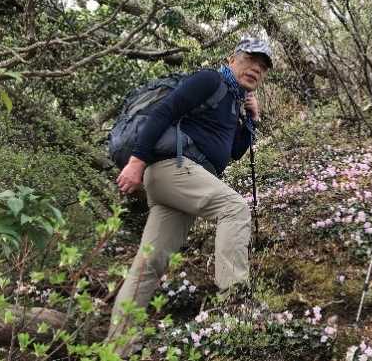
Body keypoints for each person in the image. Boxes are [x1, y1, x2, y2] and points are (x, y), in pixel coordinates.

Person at [108, 38, 273, 356]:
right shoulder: (210, 80)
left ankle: (118, 348)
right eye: (251, 59)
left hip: (182, 181)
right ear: (232, 58)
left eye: (263, 66)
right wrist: (136, 162)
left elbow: (232, 153)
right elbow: (163, 112)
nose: (256, 68)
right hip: (174, 168)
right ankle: (235, 305)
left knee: (150, 263)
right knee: (234, 209)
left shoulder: (232, 104)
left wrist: (251, 121)